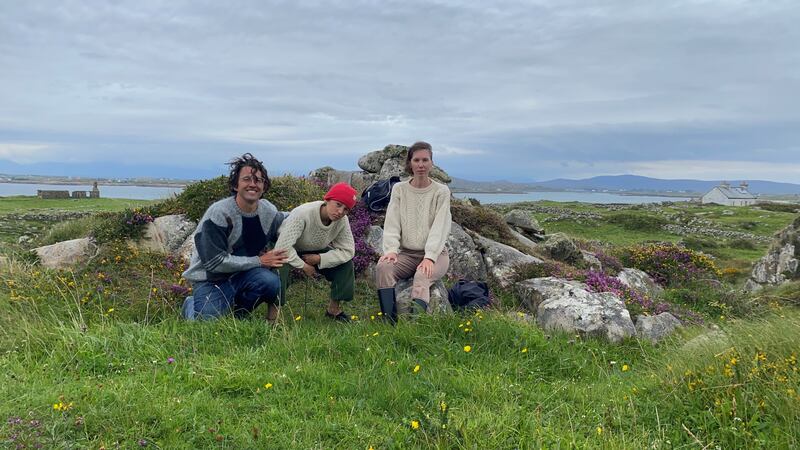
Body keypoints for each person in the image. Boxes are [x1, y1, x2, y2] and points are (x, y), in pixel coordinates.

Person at [181, 153, 288, 321]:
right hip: (211, 279)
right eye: (246, 179)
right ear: (236, 185)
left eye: (258, 180)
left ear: (264, 186)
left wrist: (319, 212)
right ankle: (190, 306)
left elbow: (289, 219)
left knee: (270, 282)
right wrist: (259, 261)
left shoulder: (268, 211)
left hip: (243, 274)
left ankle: (239, 315)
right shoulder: (219, 213)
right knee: (205, 326)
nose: (253, 184)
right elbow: (213, 263)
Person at [375, 141, 452, 320]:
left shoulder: (441, 191)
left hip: (436, 254)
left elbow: (440, 227)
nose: (421, 164)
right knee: (383, 267)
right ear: (410, 163)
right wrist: (392, 251)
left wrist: (429, 257)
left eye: (425, 160)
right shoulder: (399, 189)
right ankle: (389, 322)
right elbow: (392, 222)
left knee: (421, 277)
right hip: (407, 254)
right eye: (416, 160)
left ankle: (415, 327)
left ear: (432, 163)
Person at [273, 182, 357, 322]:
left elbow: (348, 250)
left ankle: (333, 310)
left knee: (345, 265)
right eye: (338, 204)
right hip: (286, 246)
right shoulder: (303, 213)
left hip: (314, 250)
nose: (340, 212)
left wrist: (319, 259)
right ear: (327, 199)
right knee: (279, 266)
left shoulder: (342, 221)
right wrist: (303, 266)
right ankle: (274, 312)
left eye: (346, 209)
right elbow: (282, 247)